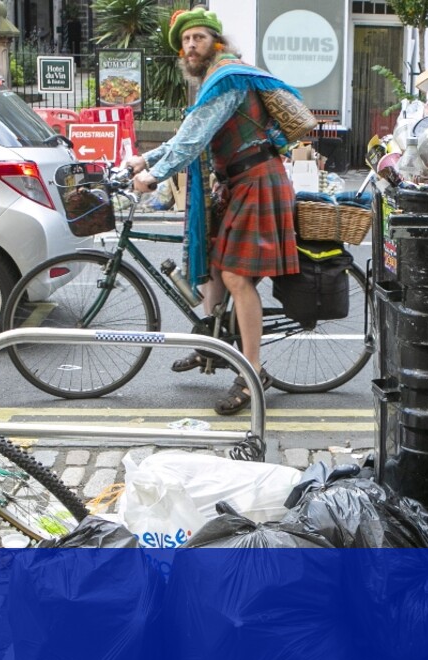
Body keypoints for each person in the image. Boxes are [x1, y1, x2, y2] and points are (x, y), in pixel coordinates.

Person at [124, 7, 300, 415]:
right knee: (215, 270)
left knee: (237, 276)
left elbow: (194, 140)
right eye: (185, 40)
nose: (190, 45)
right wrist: (145, 159)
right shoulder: (214, 79)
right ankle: (215, 348)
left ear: (216, 42)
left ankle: (253, 373)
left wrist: (154, 175)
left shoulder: (227, 76)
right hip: (238, 182)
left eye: (198, 38)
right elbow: (189, 131)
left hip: (258, 180)